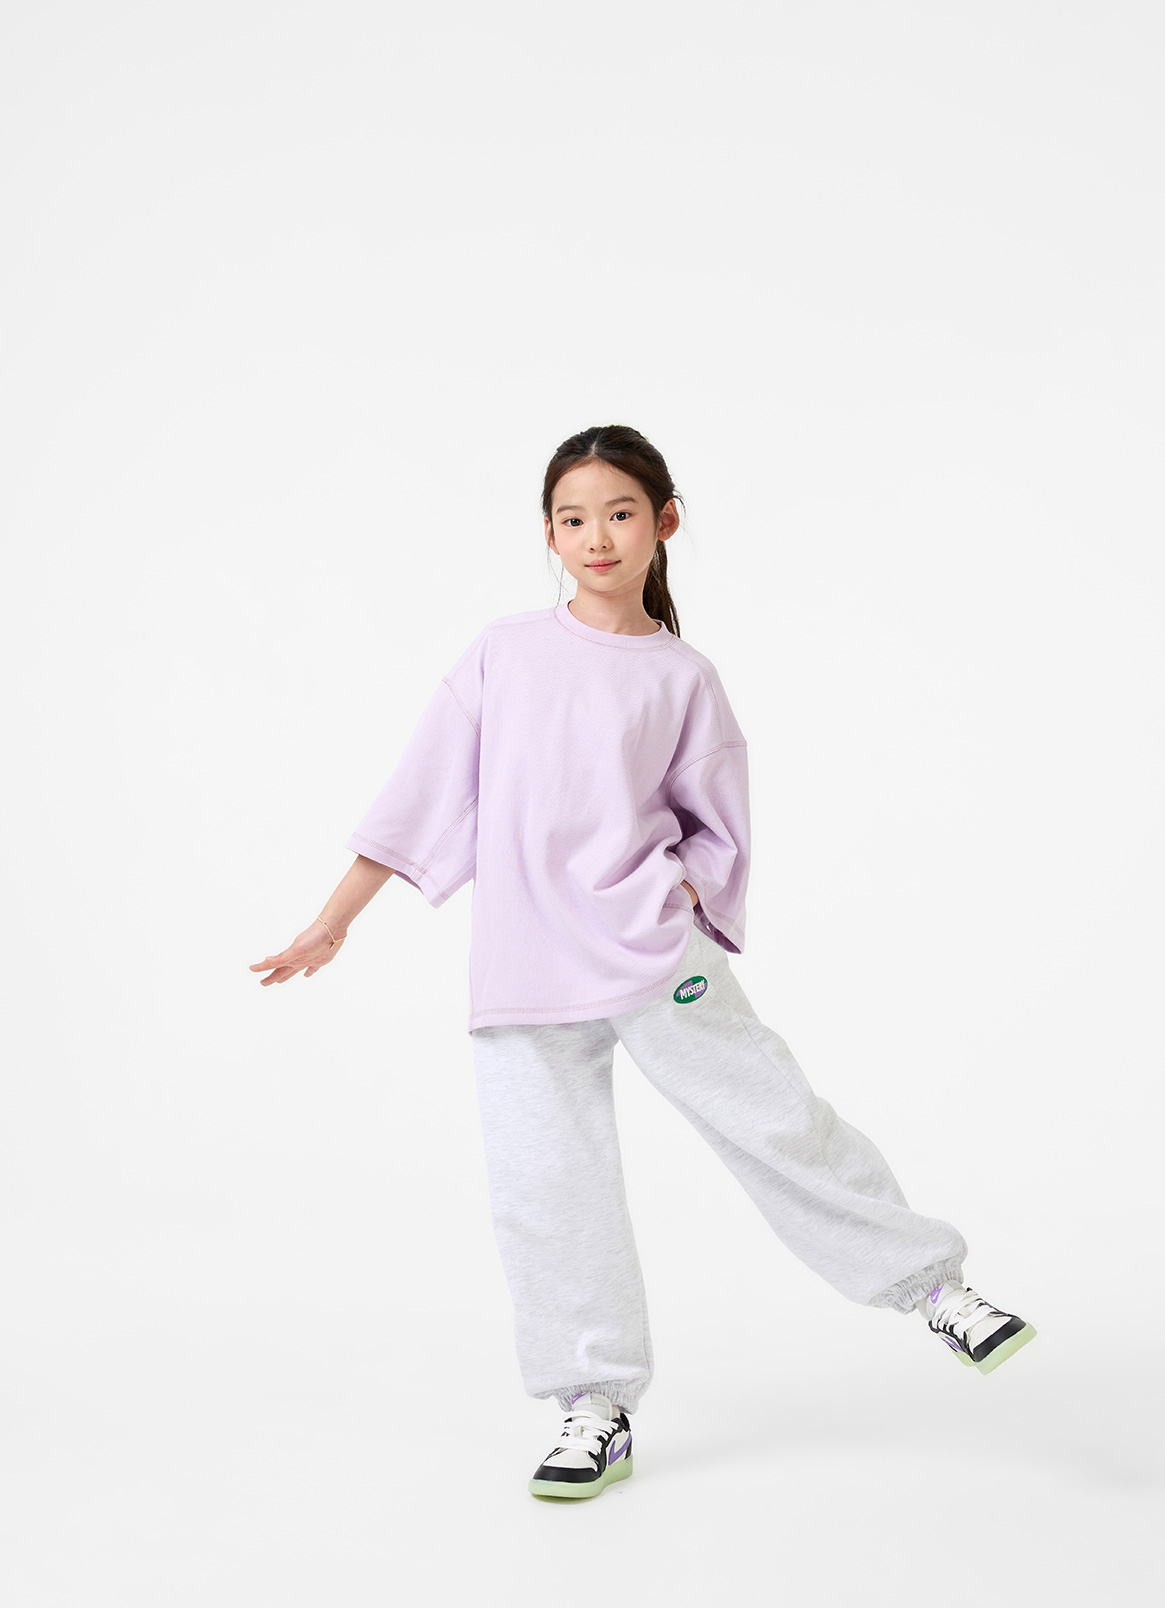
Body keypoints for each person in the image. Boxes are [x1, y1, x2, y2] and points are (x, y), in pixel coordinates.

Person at [249, 423, 1036, 1504]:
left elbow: (720, 825)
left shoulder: (683, 677)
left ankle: (934, 1287)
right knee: (548, 1189)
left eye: (619, 513)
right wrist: (335, 920)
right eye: (573, 519)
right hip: (525, 967)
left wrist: (688, 896)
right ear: (548, 534)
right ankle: (595, 1405)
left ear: (663, 522)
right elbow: (422, 792)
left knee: (773, 1117)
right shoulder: (503, 654)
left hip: (653, 954)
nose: (597, 537)